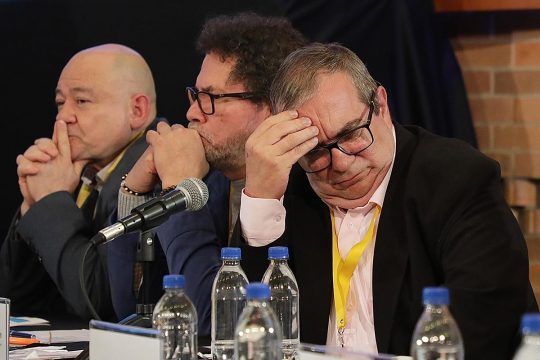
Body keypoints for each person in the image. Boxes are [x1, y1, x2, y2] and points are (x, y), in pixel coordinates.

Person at [234, 43, 539, 359]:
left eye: (351, 134)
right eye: (315, 151)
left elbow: (479, 330)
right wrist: (261, 197)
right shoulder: (292, 192)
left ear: (381, 104)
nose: (340, 163)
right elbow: (245, 334)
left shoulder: (455, 179)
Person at [110, 12, 306, 334]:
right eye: (195, 95)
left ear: (272, 107)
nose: (191, 113)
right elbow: (130, 308)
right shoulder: (213, 182)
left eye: (210, 98)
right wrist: (135, 189)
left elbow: (213, 323)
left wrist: (181, 191)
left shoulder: (302, 192)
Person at [0, 44, 160, 321]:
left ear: (137, 110)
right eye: (61, 102)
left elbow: (101, 304)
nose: (63, 116)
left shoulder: (155, 173)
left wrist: (52, 201)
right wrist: (33, 206)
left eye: (82, 101)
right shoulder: (78, 172)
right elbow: (16, 301)